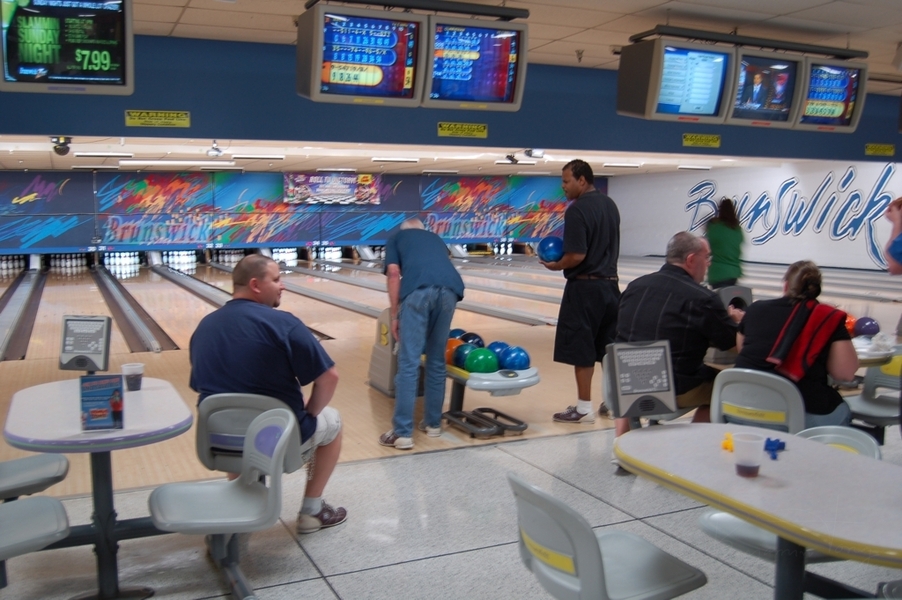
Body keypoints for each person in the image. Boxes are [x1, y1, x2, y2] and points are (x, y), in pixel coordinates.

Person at [189, 254, 346, 534]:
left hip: (219, 443)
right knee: (333, 422)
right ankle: (312, 511)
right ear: (255, 285)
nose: (282, 285)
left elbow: (208, 390)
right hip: (276, 442)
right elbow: (329, 377)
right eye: (276, 279)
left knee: (235, 419)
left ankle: (242, 503)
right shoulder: (284, 324)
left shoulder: (204, 327)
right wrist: (310, 414)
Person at [613, 232, 742, 439]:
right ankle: (689, 445)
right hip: (671, 387)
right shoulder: (702, 299)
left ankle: (621, 439)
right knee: (727, 386)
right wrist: (736, 323)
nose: (709, 263)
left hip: (624, 382)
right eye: (707, 257)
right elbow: (734, 346)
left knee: (631, 357)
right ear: (691, 259)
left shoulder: (635, 286)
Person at [540, 159, 620, 423]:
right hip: (611, 286)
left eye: (566, 181)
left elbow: (575, 255)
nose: (563, 186)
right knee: (609, 348)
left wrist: (556, 265)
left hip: (585, 288)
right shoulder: (610, 205)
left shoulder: (577, 210)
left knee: (582, 349)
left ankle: (584, 409)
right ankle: (613, 404)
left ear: (582, 180)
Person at [734, 260, 858, 428]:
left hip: (741, 410)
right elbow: (845, 374)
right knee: (843, 410)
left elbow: (742, 350)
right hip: (793, 419)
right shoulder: (828, 318)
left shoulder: (755, 309)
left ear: (786, 285)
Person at [379, 217, 465, 450]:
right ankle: (433, 424)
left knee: (409, 362)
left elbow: (394, 273)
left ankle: (402, 433)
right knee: (437, 361)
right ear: (422, 230)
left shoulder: (397, 238)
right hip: (450, 291)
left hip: (418, 292)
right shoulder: (435, 238)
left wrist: (395, 315)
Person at [705, 197, 744, 288]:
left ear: (720, 210)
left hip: (718, 272)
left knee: (719, 296)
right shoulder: (737, 229)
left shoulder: (715, 227)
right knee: (729, 295)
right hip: (734, 272)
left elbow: (707, 247)